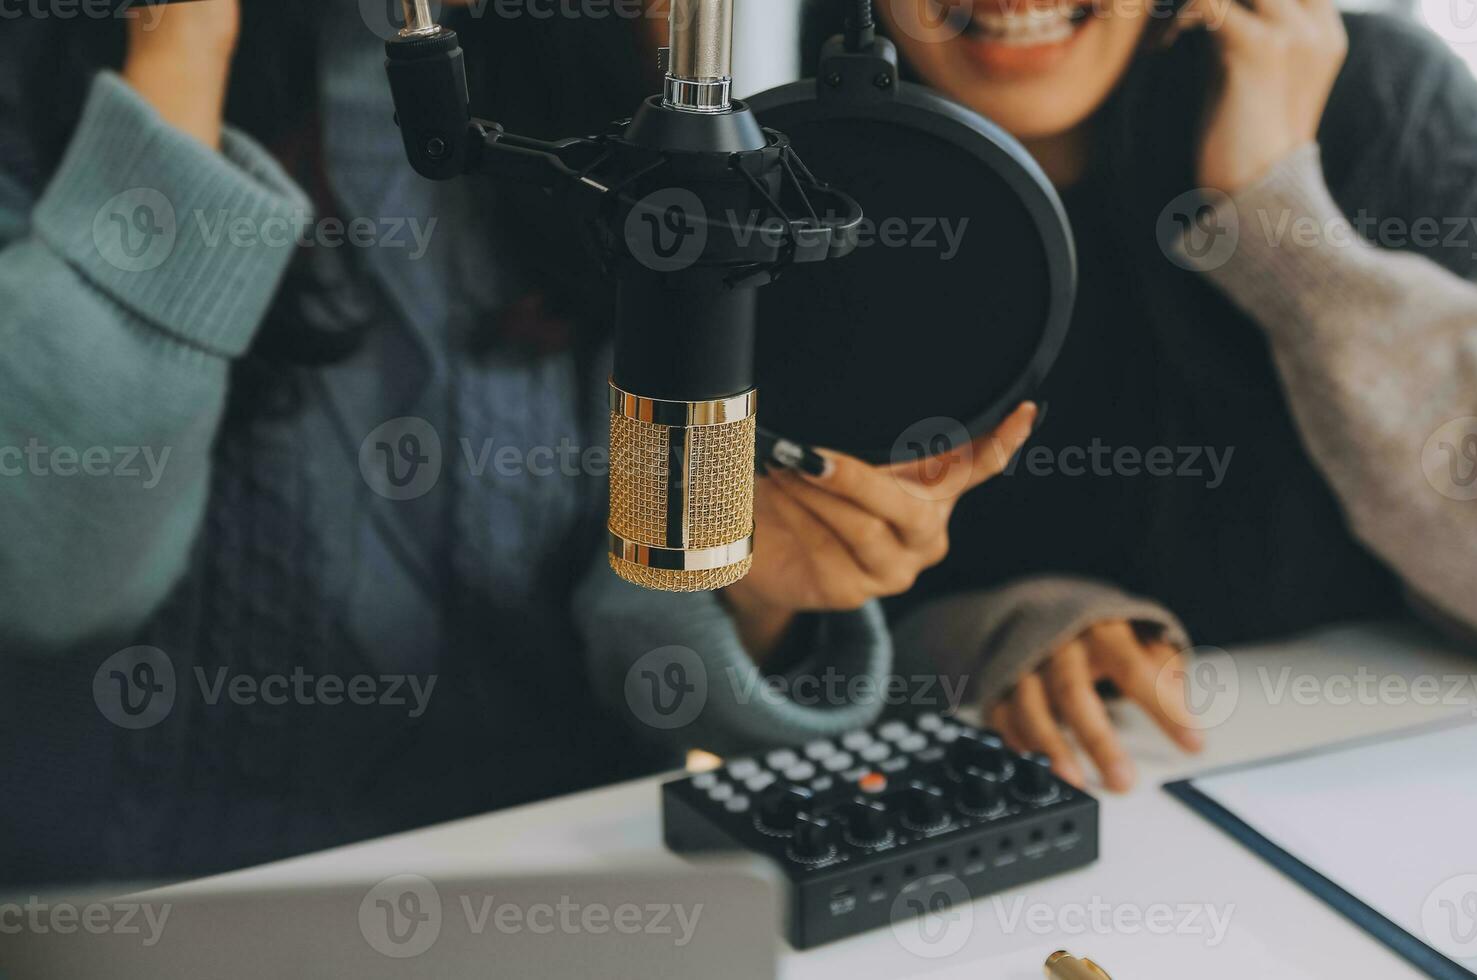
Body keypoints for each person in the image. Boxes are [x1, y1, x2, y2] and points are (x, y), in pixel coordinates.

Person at [0, 1, 1038, 887]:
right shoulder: (34, 71)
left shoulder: (612, 77)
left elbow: (636, 648)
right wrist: (178, 53)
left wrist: (747, 591)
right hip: (157, 900)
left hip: (554, 887)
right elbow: (51, 574)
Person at [799, 0, 1477, 790]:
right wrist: (986, 636)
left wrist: (1283, 224)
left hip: (1415, 802)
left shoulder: (1380, 98)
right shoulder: (793, 187)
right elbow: (776, 641)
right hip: (1083, 813)